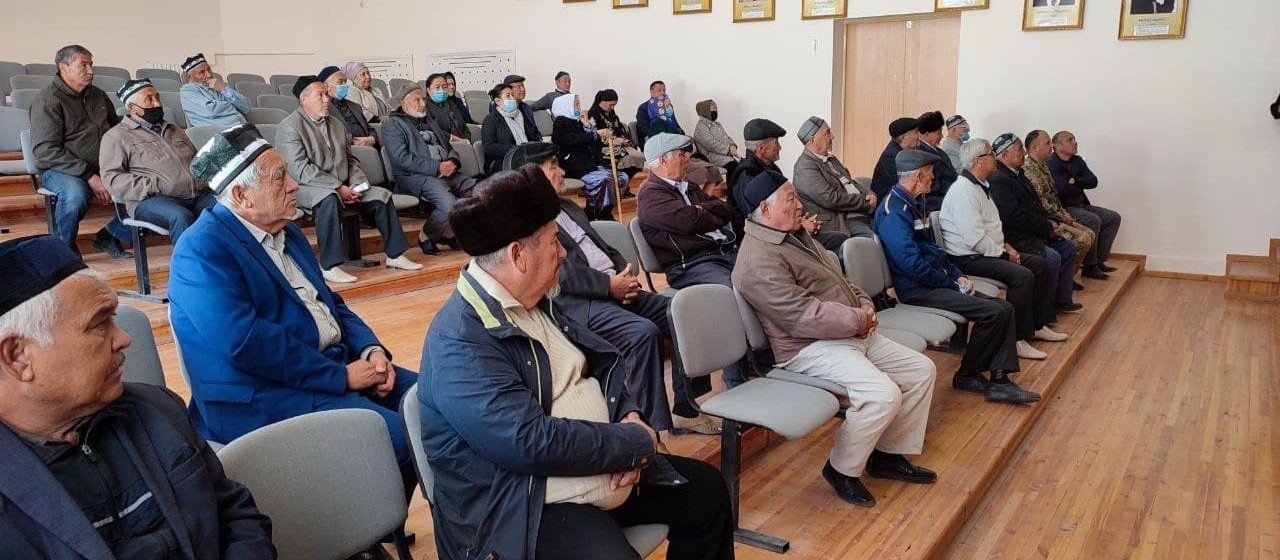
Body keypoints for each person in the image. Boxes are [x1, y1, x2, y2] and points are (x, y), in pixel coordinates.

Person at [420, 167, 736, 560]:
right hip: (519, 504)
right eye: (554, 241)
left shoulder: (535, 300)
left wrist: (628, 414)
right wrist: (632, 444)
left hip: (589, 464)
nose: (564, 253)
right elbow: (528, 441)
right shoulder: (459, 341)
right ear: (518, 255)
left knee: (706, 492)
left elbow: (600, 363)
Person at [169, 125, 420, 534]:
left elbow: (330, 303)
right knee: (394, 437)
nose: (293, 184)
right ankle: (360, 530)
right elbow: (246, 343)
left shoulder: (286, 233)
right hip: (261, 394)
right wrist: (341, 377)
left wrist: (371, 350)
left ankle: (373, 517)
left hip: (323, 368)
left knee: (433, 403)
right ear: (241, 196)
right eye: (279, 177)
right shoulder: (201, 249)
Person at [0, 235, 276, 560]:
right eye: (99, 324)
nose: (124, 338)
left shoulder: (158, 409)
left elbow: (236, 514)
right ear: (18, 356)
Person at [735, 169, 938, 507]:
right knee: (882, 394)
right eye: (791, 199)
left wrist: (865, 305)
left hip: (847, 331)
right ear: (765, 209)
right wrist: (859, 319)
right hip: (808, 347)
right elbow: (801, 317)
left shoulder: (793, 234)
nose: (799, 205)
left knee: (921, 370)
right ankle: (841, 469)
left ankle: (886, 455)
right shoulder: (757, 259)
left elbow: (840, 278)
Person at [503, 142, 720, 436]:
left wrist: (623, 273)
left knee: (683, 312)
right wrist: (609, 286)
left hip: (613, 285)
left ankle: (686, 407)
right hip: (578, 303)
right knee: (642, 334)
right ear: (530, 174)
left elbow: (603, 248)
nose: (562, 172)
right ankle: (647, 433)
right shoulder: (528, 221)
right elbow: (562, 273)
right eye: (553, 166)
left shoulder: (567, 206)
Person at [875, 149, 1041, 404]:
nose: (934, 178)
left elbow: (933, 251)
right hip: (918, 290)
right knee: (994, 312)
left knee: (1003, 308)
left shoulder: (913, 203)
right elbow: (912, 266)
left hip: (934, 281)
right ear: (918, 176)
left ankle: (990, 377)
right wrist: (951, 282)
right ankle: (975, 376)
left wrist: (957, 274)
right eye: (930, 174)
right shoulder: (893, 211)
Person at [277, 78, 421, 284]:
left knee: (382, 195)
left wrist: (358, 185)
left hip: (343, 185)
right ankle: (329, 265)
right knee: (328, 199)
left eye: (327, 94)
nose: (327, 99)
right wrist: (338, 188)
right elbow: (300, 169)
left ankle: (395, 255)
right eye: (320, 95)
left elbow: (351, 160)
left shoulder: (337, 124)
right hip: (307, 188)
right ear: (304, 99)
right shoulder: (289, 126)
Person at [939, 138, 1066, 361]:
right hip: (968, 258)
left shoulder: (980, 185)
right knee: (1022, 275)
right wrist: (1005, 254)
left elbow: (992, 227)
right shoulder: (963, 191)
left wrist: (1005, 246)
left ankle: (1035, 326)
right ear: (978, 161)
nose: (995, 157)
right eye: (991, 153)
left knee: (1039, 264)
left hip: (987, 251)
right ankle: (1016, 339)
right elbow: (975, 239)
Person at [635, 133, 744, 386]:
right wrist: (700, 213)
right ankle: (734, 380)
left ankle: (760, 356)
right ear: (663, 160)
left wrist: (701, 210)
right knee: (730, 293)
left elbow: (725, 209)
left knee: (764, 275)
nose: (687, 158)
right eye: (681, 154)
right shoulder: (650, 194)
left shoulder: (689, 186)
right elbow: (689, 221)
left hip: (720, 253)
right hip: (691, 265)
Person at [29, 44, 132, 258]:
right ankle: (63, 255)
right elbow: (46, 151)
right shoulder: (47, 100)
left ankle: (111, 234)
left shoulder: (98, 95)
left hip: (103, 164)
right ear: (63, 67)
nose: (91, 70)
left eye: (91, 64)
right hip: (60, 169)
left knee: (151, 181)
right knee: (75, 196)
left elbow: (116, 127)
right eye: (83, 65)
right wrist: (89, 176)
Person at [100, 79, 216, 243]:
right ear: (132, 108)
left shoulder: (175, 130)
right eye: (149, 99)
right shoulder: (116, 136)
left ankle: (230, 257)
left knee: (229, 208)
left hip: (196, 194)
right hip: (153, 200)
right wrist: (154, 186)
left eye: (157, 97)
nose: (157, 103)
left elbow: (196, 161)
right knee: (180, 217)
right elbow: (112, 178)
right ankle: (188, 260)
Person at [987, 134, 1081, 315]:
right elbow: (1014, 216)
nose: (1024, 152)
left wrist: (1050, 221)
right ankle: (1042, 314)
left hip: (1033, 230)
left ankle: (1060, 301)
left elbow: (1036, 205)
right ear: (1005, 155)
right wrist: (1046, 227)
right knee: (1052, 258)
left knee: (1068, 248)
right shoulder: (999, 179)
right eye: (1019, 149)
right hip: (1016, 237)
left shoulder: (1018, 173)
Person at [382, 82, 476, 255]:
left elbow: (450, 148)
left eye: (424, 99)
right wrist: (437, 167)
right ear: (403, 104)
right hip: (414, 176)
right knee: (448, 204)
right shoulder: (392, 125)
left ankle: (447, 233)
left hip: (445, 172)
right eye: (417, 100)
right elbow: (402, 159)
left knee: (480, 192)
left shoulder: (430, 121)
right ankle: (427, 235)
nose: (423, 103)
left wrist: (452, 162)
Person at [1048, 131, 1122, 280]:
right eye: (1070, 140)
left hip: (1082, 204)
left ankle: (1098, 261)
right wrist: (1077, 183)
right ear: (1058, 145)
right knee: (1093, 220)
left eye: (1074, 139)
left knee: (1113, 218)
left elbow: (1093, 181)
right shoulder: (1052, 163)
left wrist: (1075, 180)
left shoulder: (1077, 161)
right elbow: (1062, 189)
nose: (1075, 142)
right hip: (1065, 208)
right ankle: (1090, 266)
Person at [1022, 130, 1096, 275]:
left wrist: (1063, 214)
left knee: (1089, 234)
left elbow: (1053, 197)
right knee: (1083, 238)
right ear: (1035, 148)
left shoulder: (1043, 166)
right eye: (1047, 143)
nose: (1052, 146)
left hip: (1057, 215)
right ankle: (1064, 278)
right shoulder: (1029, 169)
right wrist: (1062, 217)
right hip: (1046, 221)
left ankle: (1068, 277)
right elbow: (1041, 202)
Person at [792, 116, 877, 240]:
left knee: (891, 229)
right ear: (812, 140)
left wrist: (869, 194)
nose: (832, 136)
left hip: (859, 211)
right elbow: (831, 199)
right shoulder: (805, 167)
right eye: (827, 133)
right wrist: (865, 202)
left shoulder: (831, 159)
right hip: (842, 221)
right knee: (875, 242)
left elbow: (851, 182)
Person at [550, 93, 628, 220]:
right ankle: (592, 212)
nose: (578, 107)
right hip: (576, 166)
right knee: (603, 180)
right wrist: (595, 133)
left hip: (591, 164)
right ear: (566, 105)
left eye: (578, 104)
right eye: (575, 104)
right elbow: (572, 141)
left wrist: (588, 125)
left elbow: (593, 142)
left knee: (622, 178)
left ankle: (605, 210)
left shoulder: (578, 121)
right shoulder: (560, 122)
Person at [727, 118, 786, 239]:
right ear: (761, 148)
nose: (780, 147)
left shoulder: (770, 167)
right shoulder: (747, 176)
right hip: (761, 240)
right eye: (776, 143)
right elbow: (760, 219)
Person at [481, 82, 541, 174]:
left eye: (513, 95)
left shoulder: (520, 116)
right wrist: (516, 149)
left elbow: (531, 137)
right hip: (501, 161)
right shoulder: (491, 119)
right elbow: (489, 147)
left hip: (524, 157)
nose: (513, 98)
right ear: (498, 101)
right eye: (508, 96)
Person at [179, 52, 251, 128]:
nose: (209, 75)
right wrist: (234, 105)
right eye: (202, 72)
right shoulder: (187, 91)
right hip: (220, 131)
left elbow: (247, 107)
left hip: (244, 127)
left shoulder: (219, 85)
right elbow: (211, 111)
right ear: (190, 77)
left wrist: (223, 89)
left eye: (209, 69)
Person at [316, 66, 377, 148]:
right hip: (347, 150)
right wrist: (353, 142)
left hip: (369, 147)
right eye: (340, 82)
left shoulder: (355, 106)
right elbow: (327, 135)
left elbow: (370, 128)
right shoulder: (323, 109)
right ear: (326, 86)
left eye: (345, 81)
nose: (345, 85)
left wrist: (372, 139)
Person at [588, 88, 646, 172]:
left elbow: (619, 130)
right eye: (611, 105)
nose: (612, 108)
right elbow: (592, 135)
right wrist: (613, 140)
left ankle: (632, 178)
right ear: (603, 101)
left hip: (618, 144)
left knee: (639, 156)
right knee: (627, 156)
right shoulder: (593, 114)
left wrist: (624, 140)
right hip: (602, 147)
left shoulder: (612, 115)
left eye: (614, 105)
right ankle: (624, 177)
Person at [916, 110, 960, 212]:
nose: (942, 136)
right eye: (938, 133)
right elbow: (932, 186)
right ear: (927, 134)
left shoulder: (940, 152)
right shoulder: (919, 154)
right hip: (935, 205)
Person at [870, 117, 921, 200]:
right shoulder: (892, 155)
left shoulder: (905, 151)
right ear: (904, 137)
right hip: (890, 202)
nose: (919, 136)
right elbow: (905, 186)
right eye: (916, 132)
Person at [692, 99, 740, 173]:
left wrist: (732, 145)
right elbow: (711, 144)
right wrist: (728, 150)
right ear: (705, 110)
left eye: (716, 108)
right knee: (735, 167)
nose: (716, 110)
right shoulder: (701, 127)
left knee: (742, 166)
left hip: (725, 155)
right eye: (713, 108)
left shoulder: (717, 124)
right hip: (712, 157)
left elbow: (726, 137)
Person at [424, 73, 472, 142]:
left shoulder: (451, 104)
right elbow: (432, 131)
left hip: (462, 144)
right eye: (437, 87)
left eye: (444, 87)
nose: (441, 90)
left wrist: (466, 141)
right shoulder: (424, 106)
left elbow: (464, 128)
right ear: (428, 90)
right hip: (443, 144)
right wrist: (454, 139)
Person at [634, 80, 666, 145]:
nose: (663, 93)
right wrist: (661, 135)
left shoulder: (667, 107)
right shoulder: (643, 107)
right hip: (652, 139)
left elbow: (674, 124)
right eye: (659, 90)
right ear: (651, 91)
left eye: (664, 90)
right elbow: (643, 129)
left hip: (668, 137)